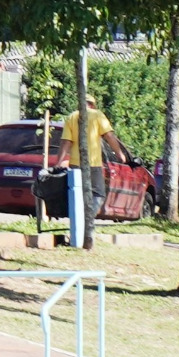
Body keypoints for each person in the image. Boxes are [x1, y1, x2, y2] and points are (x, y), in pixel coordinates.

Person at [59, 95, 113, 249]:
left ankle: (79, 226)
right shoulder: (97, 115)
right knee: (98, 194)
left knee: (77, 196)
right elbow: (109, 136)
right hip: (93, 164)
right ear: (93, 105)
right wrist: (121, 155)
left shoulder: (72, 117)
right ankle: (86, 222)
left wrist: (58, 161)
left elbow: (66, 142)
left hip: (75, 163)